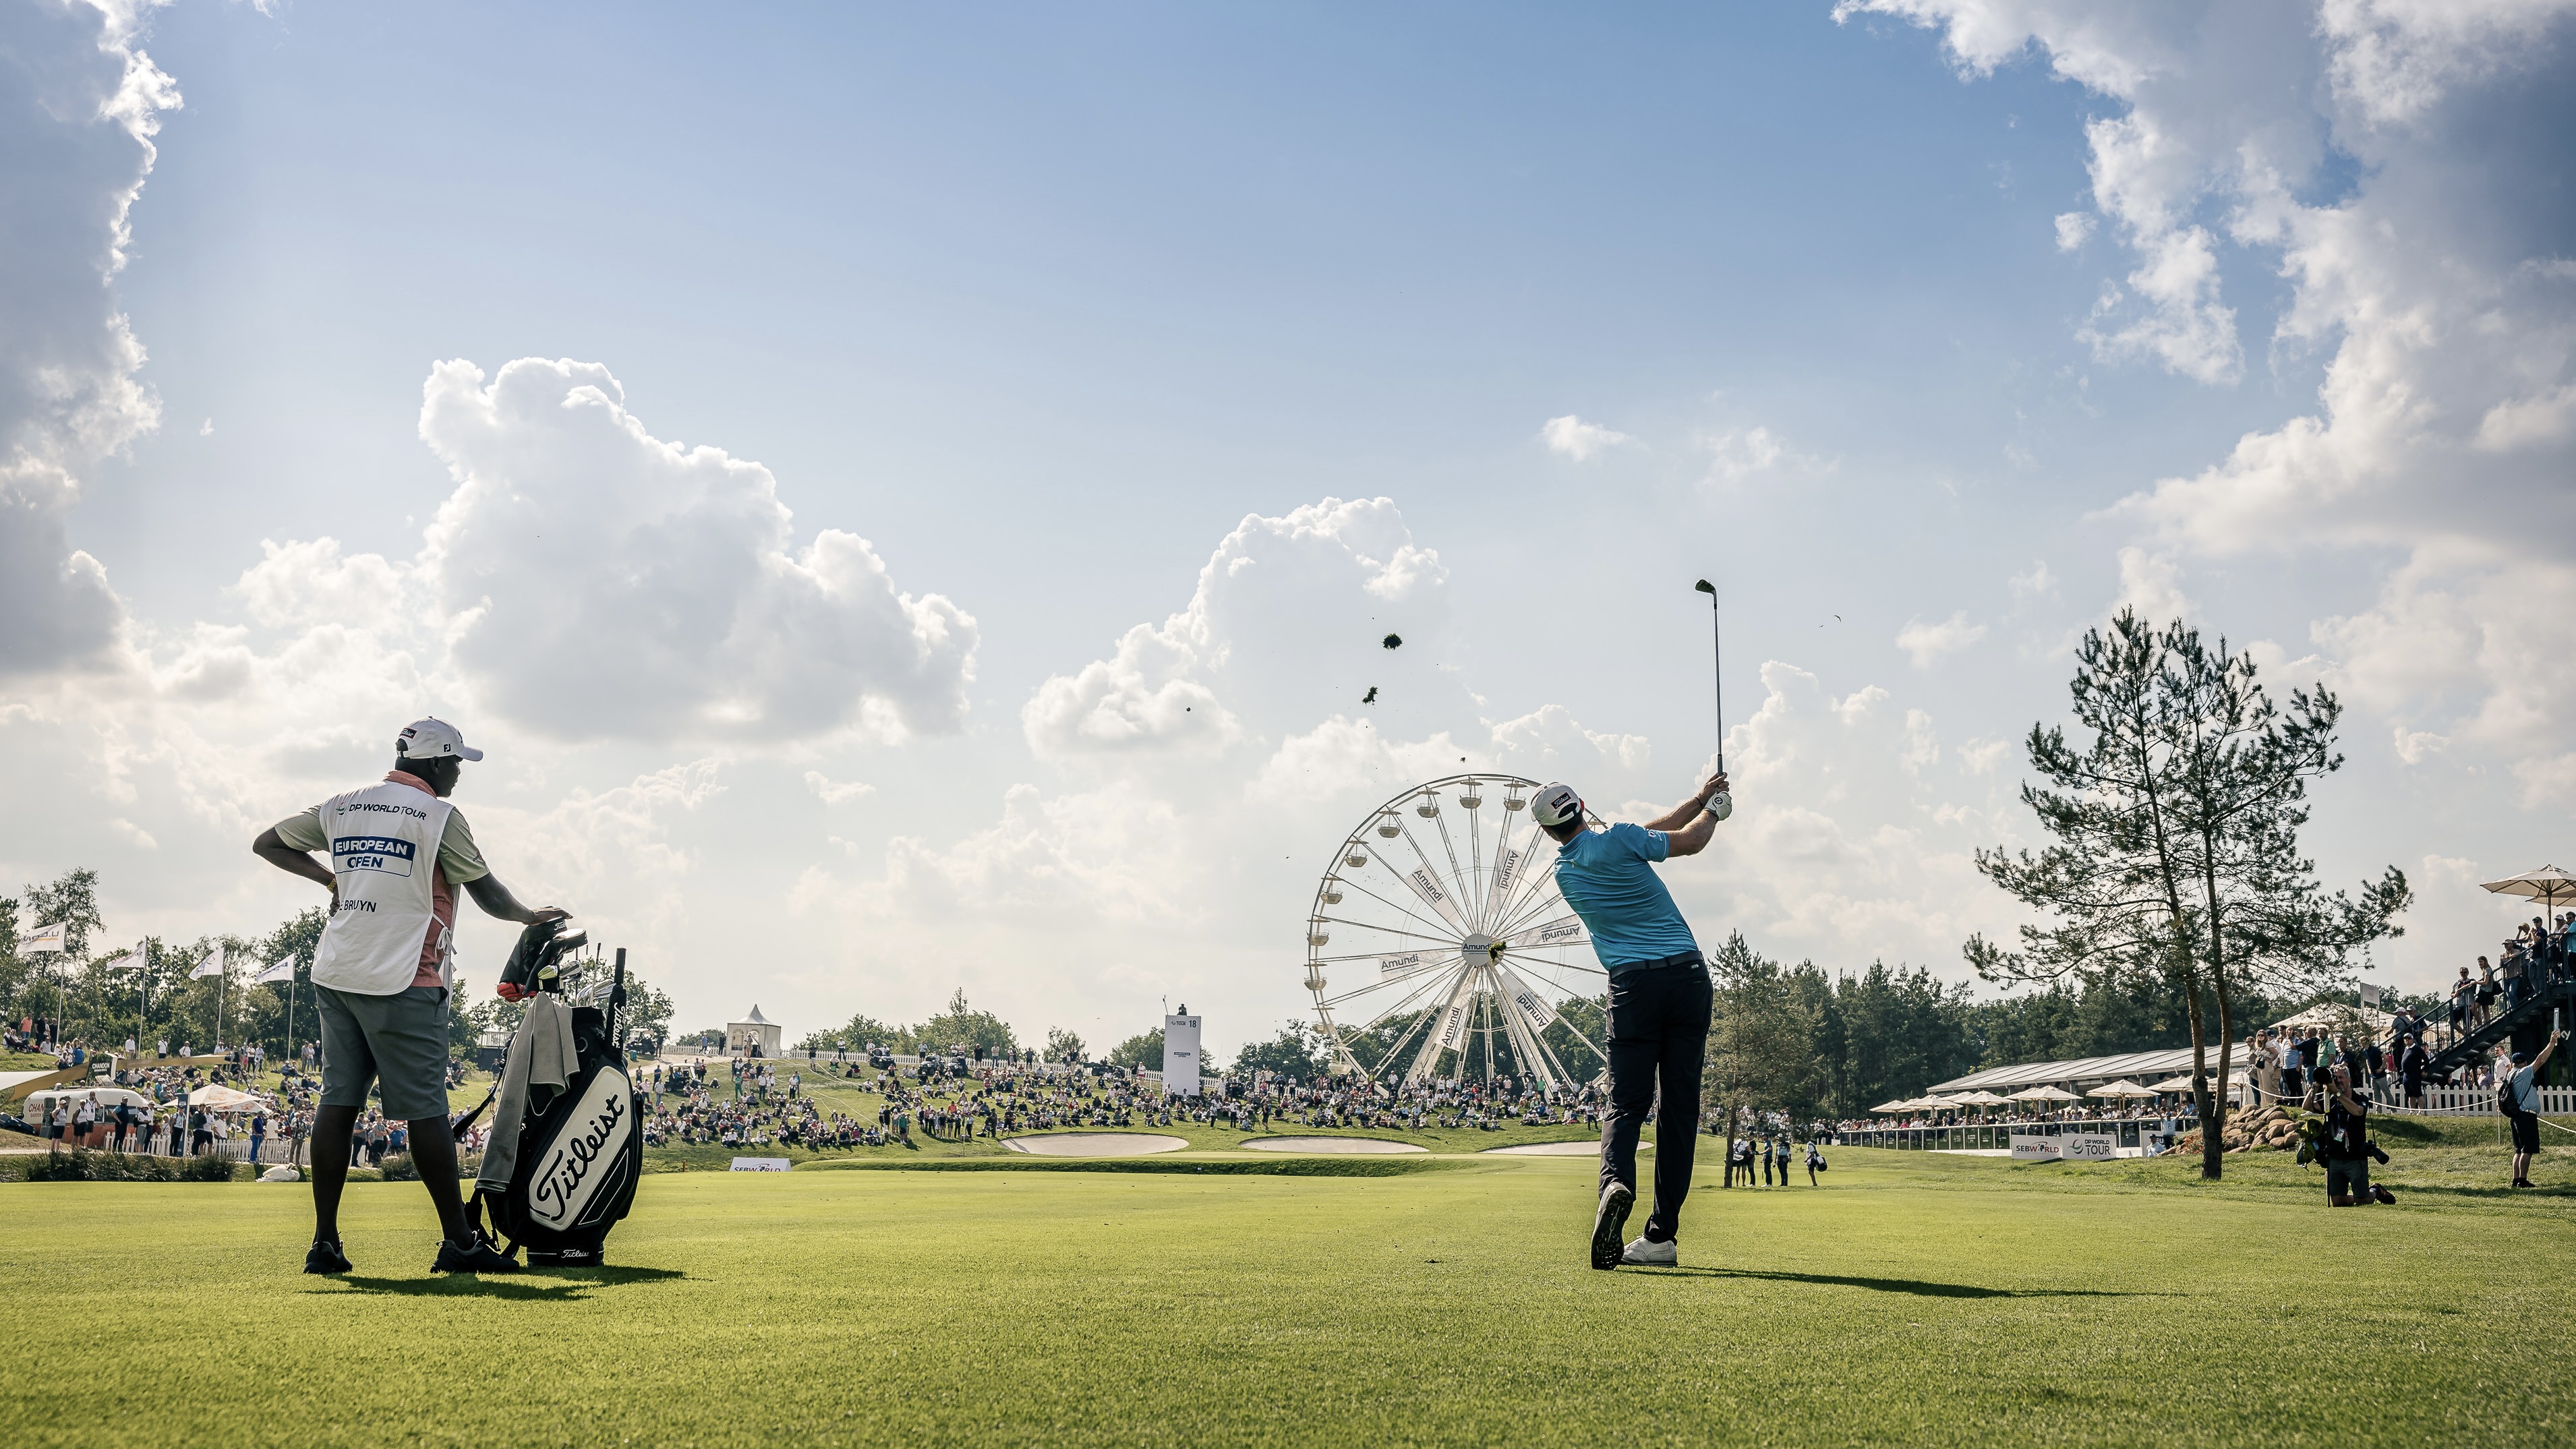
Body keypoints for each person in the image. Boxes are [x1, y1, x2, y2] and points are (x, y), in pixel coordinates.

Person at [253, 715, 566, 1275]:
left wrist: (331, 880)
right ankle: (459, 1241)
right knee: (426, 1110)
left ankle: (325, 1241)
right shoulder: (440, 814)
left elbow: (268, 842)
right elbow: (488, 893)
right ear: (437, 761)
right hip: (404, 974)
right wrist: (530, 916)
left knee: (338, 1102)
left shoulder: (344, 803)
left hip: (338, 970)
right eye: (456, 763)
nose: (458, 774)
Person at [1530, 771, 1730, 1270]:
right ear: (1582, 805)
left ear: (1549, 831)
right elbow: (1689, 841)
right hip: (1686, 977)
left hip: (1632, 988)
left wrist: (1698, 799)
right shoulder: (1621, 838)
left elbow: (1644, 834)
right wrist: (1716, 812)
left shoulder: (1567, 875)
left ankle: (1616, 1181)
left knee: (1626, 1103)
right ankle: (1661, 1235)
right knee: (1679, 1108)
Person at [2498, 1033, 2565, 1189]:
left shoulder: (2509, 1075)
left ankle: (2515, 1180)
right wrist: (2551, 1043)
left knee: (2518, 1150)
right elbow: (2540, 1060)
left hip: (2515, 1116)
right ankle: (2523, 1180)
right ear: (2524, 1063)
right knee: (2527, 1150)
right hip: (2526, 1115)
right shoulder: (2524, 1073)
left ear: (2513, 1063)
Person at [2319, 1063, 2377, 1208]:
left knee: (2362, 1200)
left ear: (2349, 1080)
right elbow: (2306, 1107)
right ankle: (2355, 1197)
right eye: (2335, 1078)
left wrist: (2337, 1094)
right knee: (2338, 1202)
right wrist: (2317, 1084)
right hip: (2335, 1157)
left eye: (2341, 1077)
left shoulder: (2360, 1098)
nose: (2338, 1081)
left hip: (2356, 1157)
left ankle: (2376, 1190)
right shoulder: (2330, 1100)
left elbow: (2357, 1111)